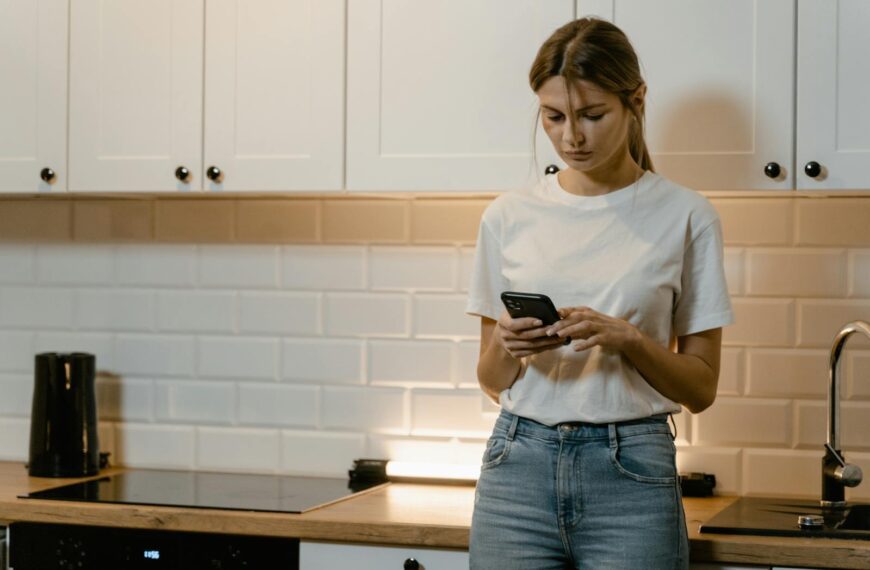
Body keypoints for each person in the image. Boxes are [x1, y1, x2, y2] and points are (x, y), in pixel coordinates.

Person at [465, 17, 734, 569]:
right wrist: (509, 347)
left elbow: (701, 388)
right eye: (554, 116)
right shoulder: (507, 216)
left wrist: (630, 340)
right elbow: (491, 381)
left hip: (632, 472)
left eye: (592, 115)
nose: (572, 137)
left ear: (635, 101)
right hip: (516, 465)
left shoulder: (687, 216)